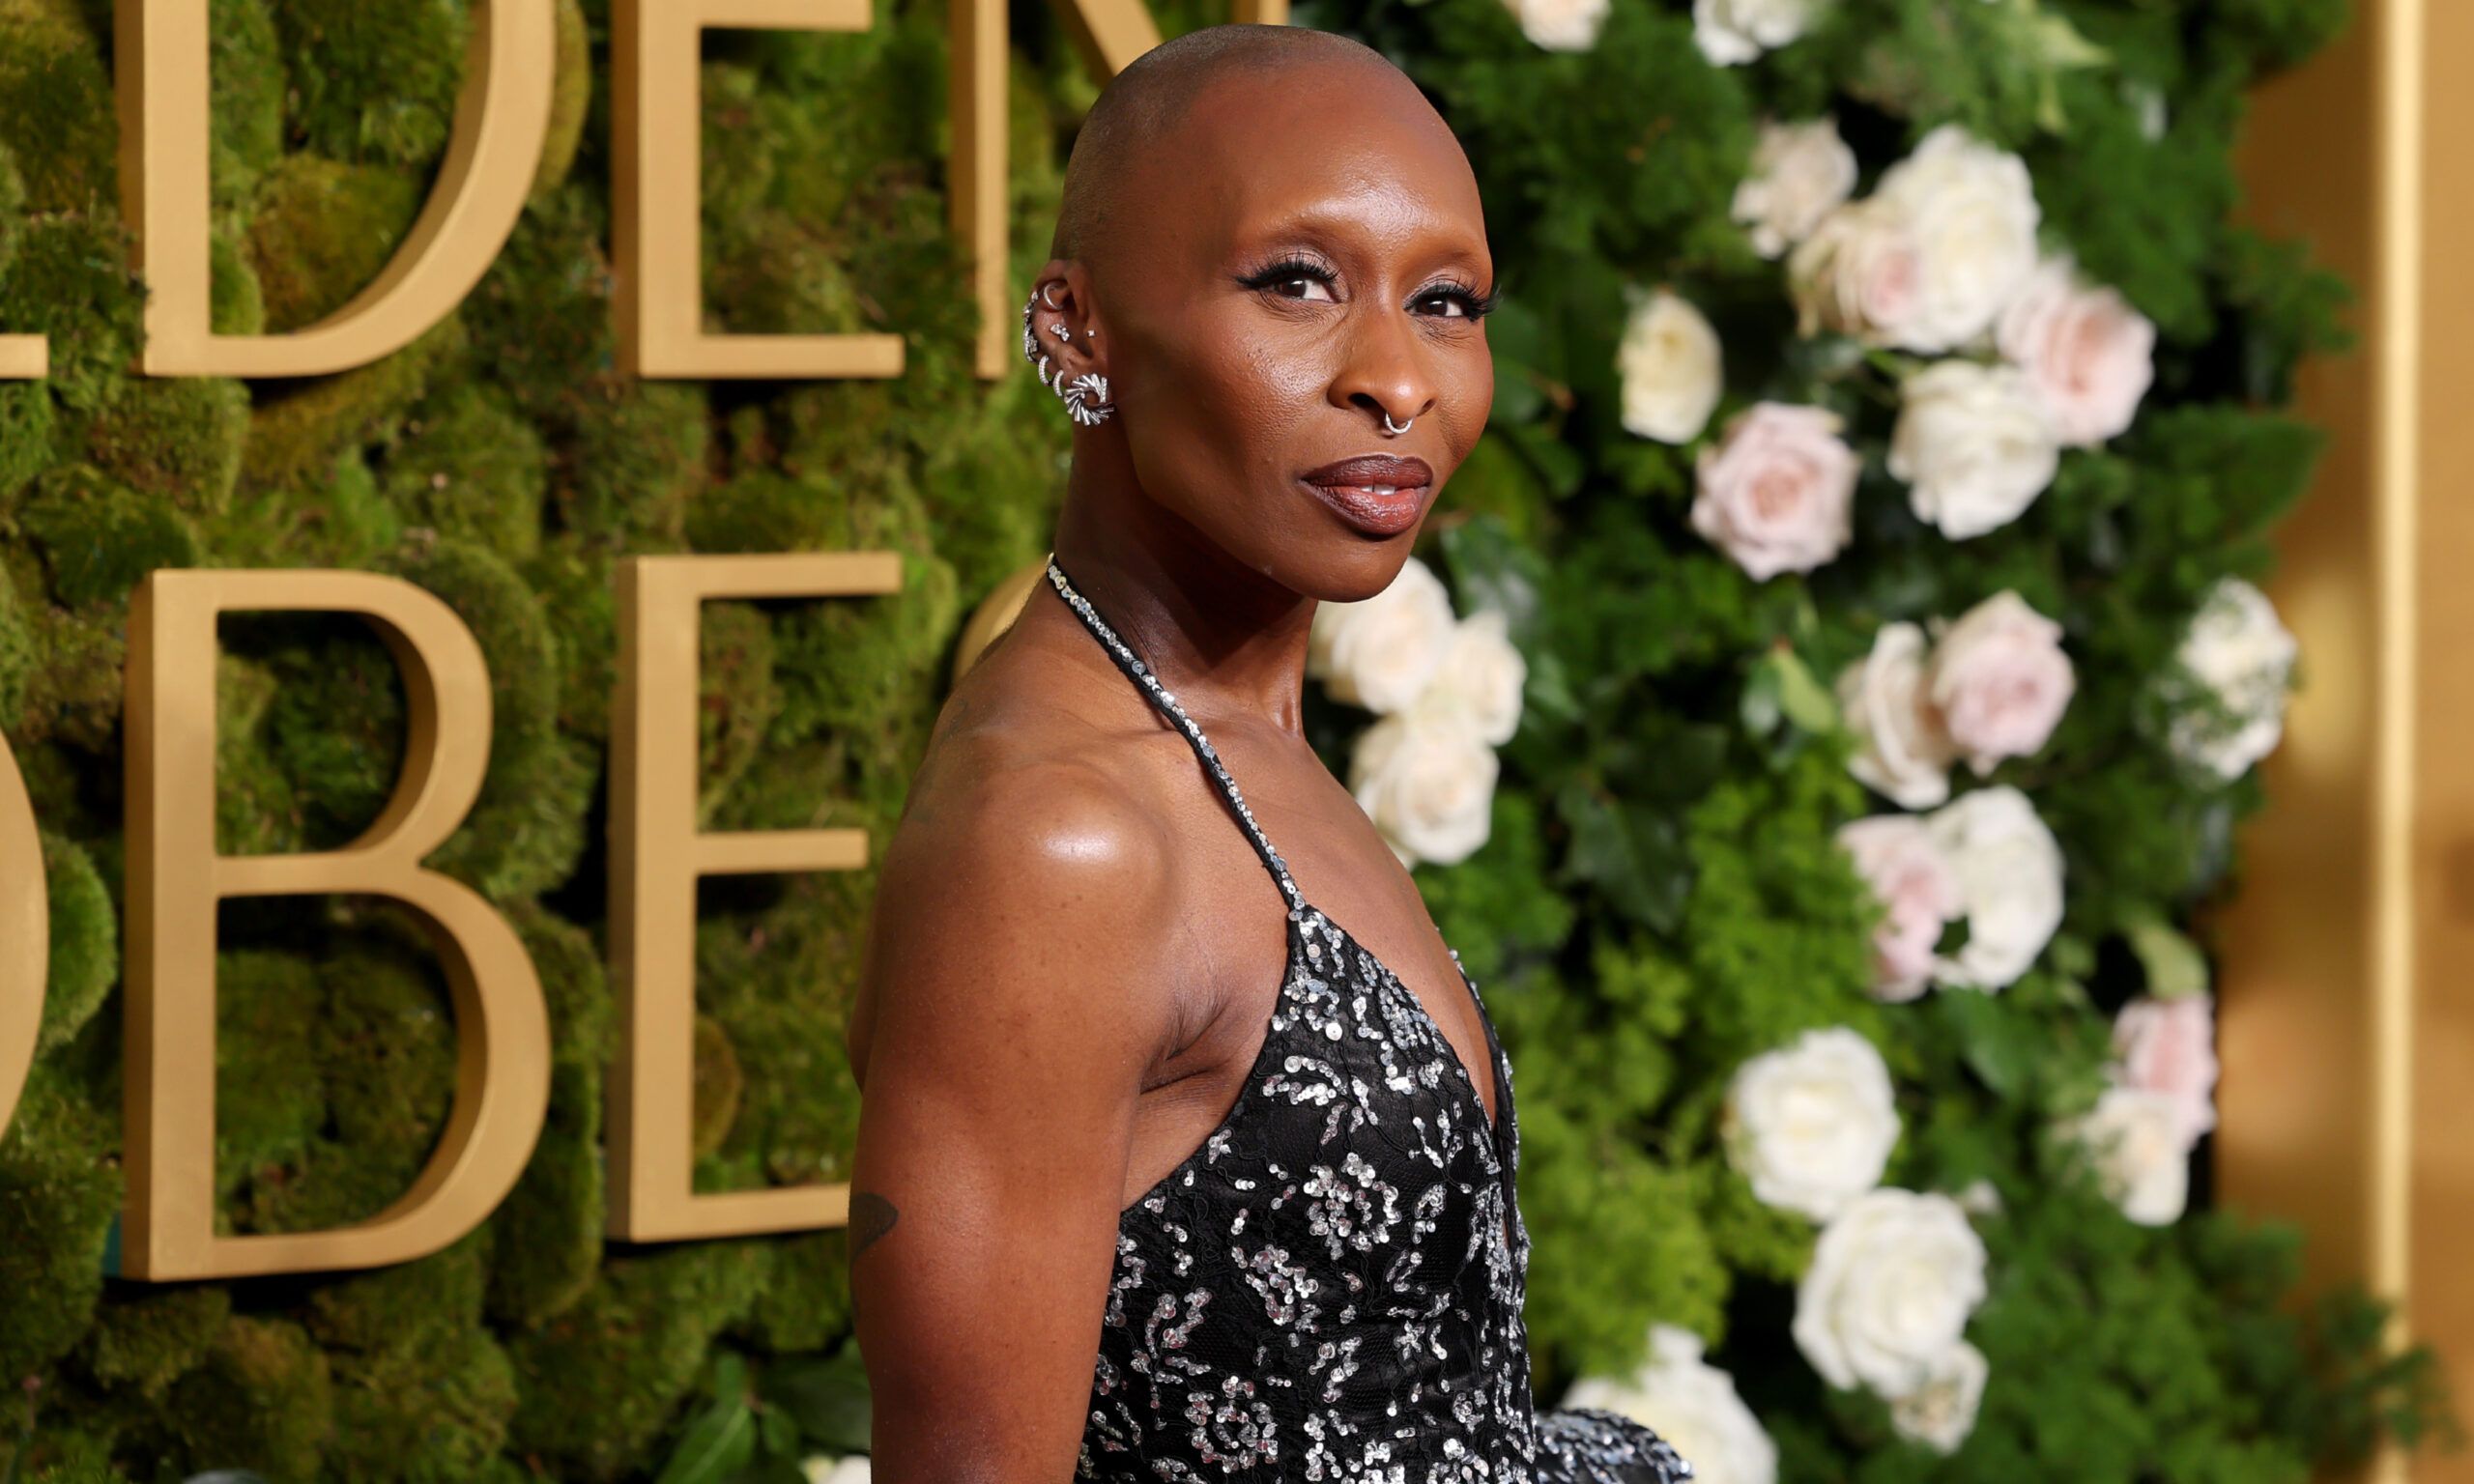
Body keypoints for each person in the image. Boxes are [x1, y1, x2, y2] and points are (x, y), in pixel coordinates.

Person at [846, 23, 1695, 1482]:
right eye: (1295, 282)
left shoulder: (1235, 733)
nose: (1396, 378)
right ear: (1077, 329)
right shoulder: (1061, 835)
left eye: (1446, 301)